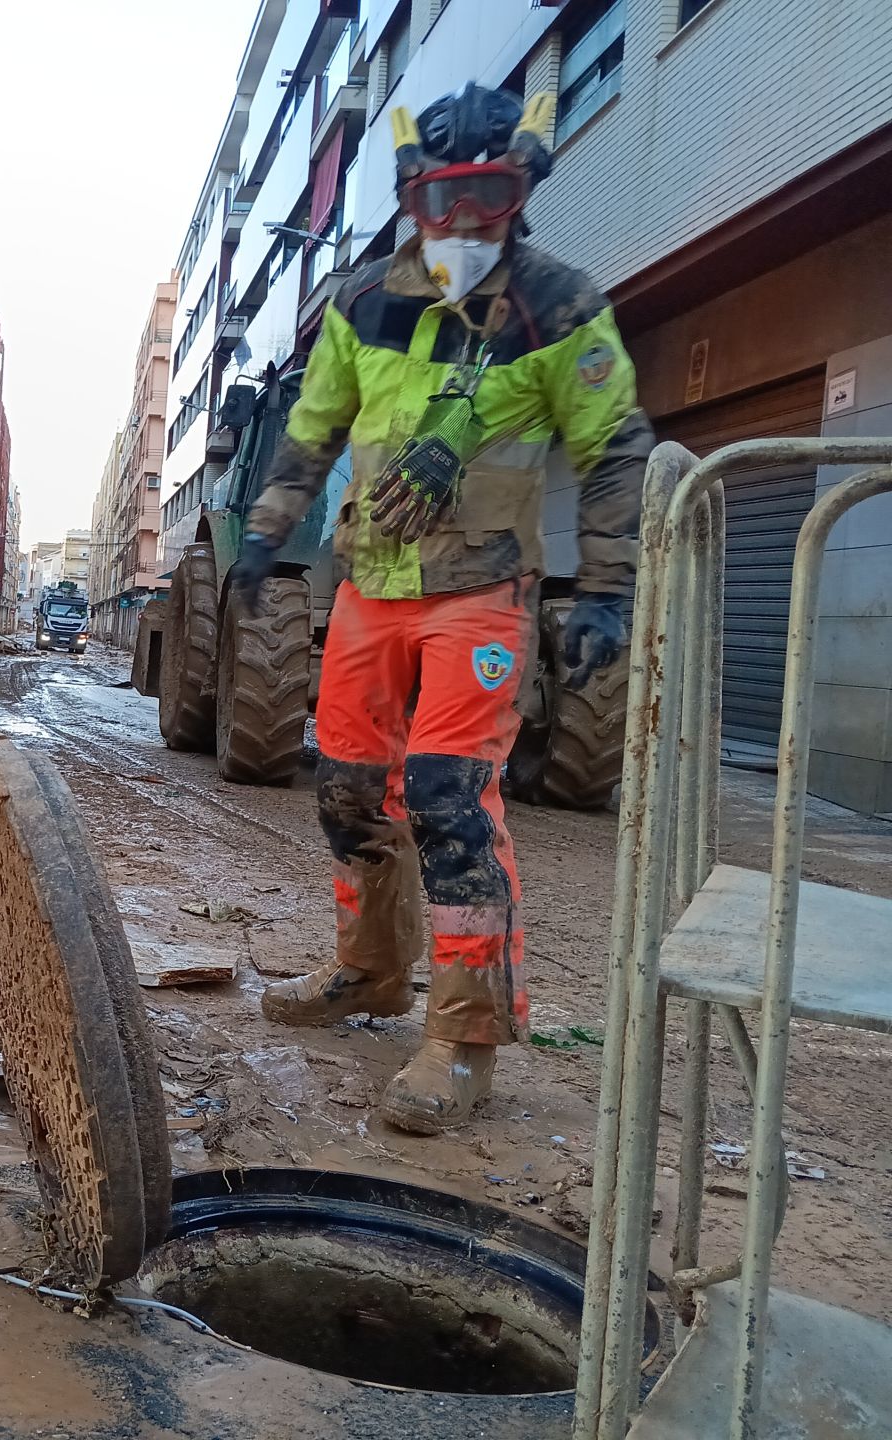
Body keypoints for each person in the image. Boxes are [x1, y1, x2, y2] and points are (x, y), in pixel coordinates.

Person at [229, 85, 652, 1135]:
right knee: (346, 795)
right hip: (373, 591)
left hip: (483, 596)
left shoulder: (561, 307)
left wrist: (610, 589)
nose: (466, 221)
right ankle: (371, 974)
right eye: (445, 196)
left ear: (522, 192)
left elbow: (614, 455)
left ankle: (465, 1037)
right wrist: (267, 530)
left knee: (451, 802)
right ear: (413, 194)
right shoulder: (362, 300)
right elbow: (313, 429)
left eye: (492, 194)